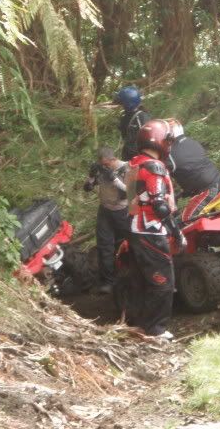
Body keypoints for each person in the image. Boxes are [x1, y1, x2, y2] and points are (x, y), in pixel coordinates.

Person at [126, 119, 180, 339]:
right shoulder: (154, 167)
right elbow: (159, 205)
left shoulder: (134, 163)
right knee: (163, 282)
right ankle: (155, 330)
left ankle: (140, 325)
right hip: (150, 230)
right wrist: (176, 231)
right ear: (160, 141)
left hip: (134, 228)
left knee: (141, 279)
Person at [83, 146, 130, 294]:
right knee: (104, 245)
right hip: (105, 211)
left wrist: (114, 179)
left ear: (113, 159)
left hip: (122, 211)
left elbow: (131, 190)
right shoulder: (102, 169)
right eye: (102, 165)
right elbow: (88, 187)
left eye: (107, 164)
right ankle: (108, 281)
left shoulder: (126, 168)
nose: (105, 167)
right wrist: (91, 176)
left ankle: (128, 276)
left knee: (128, 243)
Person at [163, 118, 220, 221]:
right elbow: (193, 168)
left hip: (209, 190)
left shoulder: (170, 154)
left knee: (187, 220)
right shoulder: (192, 142)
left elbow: (161, 174)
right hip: (219, 183)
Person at [115, 86, 152, 160]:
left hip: (138, 157)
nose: (121, 106)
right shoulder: (124, 115)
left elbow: (148, 139)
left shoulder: (141, 117)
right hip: (128, 154)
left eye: (122, 103)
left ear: (127, 104)